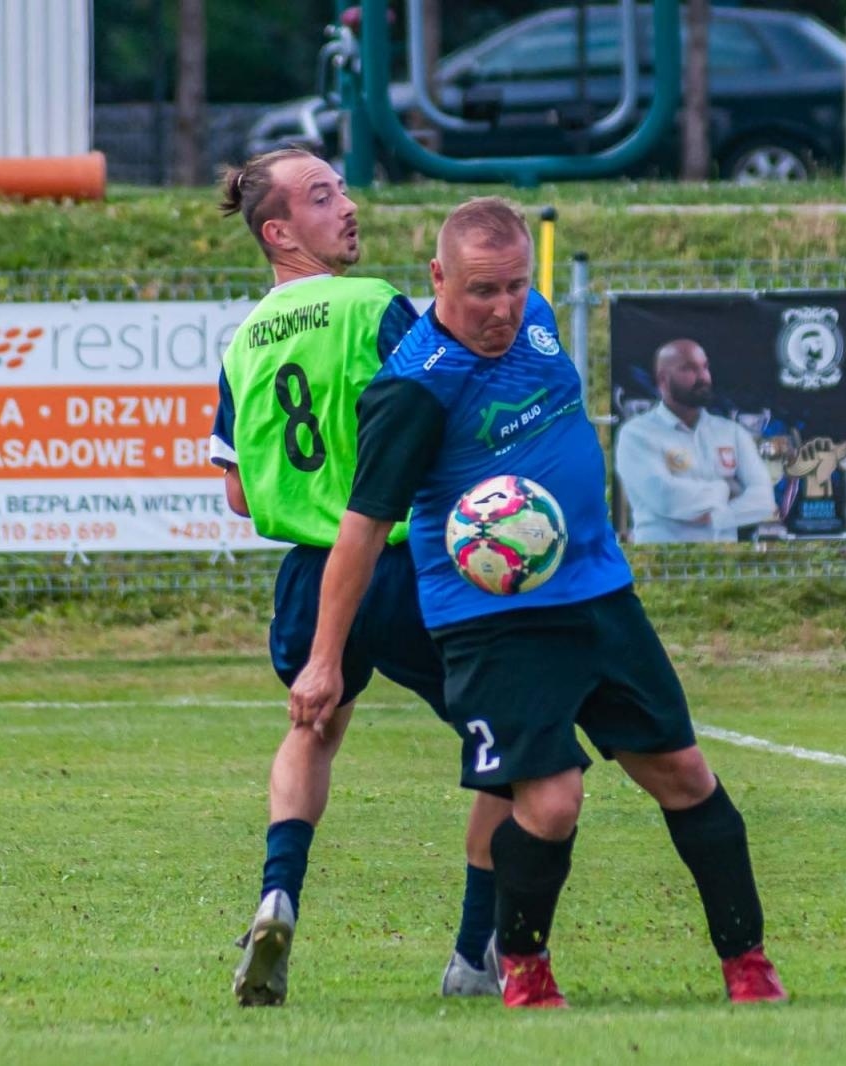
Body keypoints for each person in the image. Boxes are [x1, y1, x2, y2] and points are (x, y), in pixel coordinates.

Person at [288, 197, 787, 1009]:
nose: (504, 309)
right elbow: (362, 531)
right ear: (437, 279)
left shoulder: (539, 319)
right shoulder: (411, 391)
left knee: (687, 776)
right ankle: (521, 965)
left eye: (517, 286)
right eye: (482, 291)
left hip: (597, 596)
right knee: (552, 803)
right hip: (493, 627)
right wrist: (322, 662)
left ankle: (749, 967)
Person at [214, 149, 511, 1007]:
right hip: (401, 561)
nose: (348, 204)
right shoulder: (374, 304)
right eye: (322, 196)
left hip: (309, 578)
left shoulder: (242, 343)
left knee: (311, 730)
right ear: (279, 232)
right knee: (511, 738)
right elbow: (437, 407)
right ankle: (473, 954)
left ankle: (279, 895)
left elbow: (237, 489)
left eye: (341, 187)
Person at [614, 339, 779, 543]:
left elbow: (764, 500)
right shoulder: (636, 434)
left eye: (705, 367)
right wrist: (727, 489)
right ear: (663, 379)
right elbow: (665, 497)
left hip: (725, 563)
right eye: (689, 369)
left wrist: (717, 518)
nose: (703, 377)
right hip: (658, 560)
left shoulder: (731, 432)